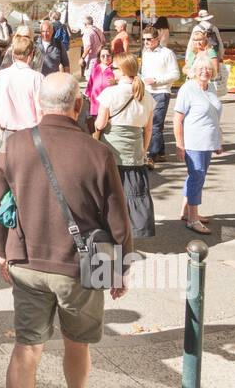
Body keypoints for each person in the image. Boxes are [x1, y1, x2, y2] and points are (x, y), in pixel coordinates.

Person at [0, 74, 132, 388]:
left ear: (39, 103)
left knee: (26, 347)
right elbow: (117, 219)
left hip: (27, 262)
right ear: (78, 106)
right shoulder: (97, 152)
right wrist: (119, 269)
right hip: (79, 266)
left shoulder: (14, 144)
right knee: (77, 340)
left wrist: (2, 252)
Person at [94, 54, 155, 239]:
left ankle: (110, 227)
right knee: (134, 191)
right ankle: (136, 228)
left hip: (111, 150)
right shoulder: (147, 96)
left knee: (110, 191)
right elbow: (149, 128)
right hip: (135, 149)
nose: (112, 71)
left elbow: (100, 124)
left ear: (122, 71)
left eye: (115, 68)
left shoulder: (110, 93)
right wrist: (143, 150)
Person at [174, 57, 222, 234]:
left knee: (196, 176)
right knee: (197, 176)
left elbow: (213, 116)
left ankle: (186, 211)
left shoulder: (211, 88)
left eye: (208, 68)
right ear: (194, 70)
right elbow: (177, 119)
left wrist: (218, 140)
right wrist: (180, 144)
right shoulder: (187, 89)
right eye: (201, 68)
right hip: (193, 141)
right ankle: (193, 219)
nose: (205, 71)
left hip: (207, 141)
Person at [0, 33, 42, 147]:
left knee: (7, 164)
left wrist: (1, 130)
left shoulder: (1, 75)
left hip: (7, 133)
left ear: (13, 54)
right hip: (31, 135)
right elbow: (40, 110)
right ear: (31, 55)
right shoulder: (37, 78)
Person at [140, 28, 180, 167]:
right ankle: (161, 152)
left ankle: (153, 155)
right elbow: (143, 72)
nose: (146, 42)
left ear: (157, 39)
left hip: (161, 91)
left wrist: (157, 80)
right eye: (144, 39)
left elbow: (176, 74)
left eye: (149, 39)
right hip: (146, 91)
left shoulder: (167, 53)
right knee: (147, 123)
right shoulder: (145, 53)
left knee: (155, 124)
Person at [85, 44, 116, 128]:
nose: (105, 58)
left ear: (112, 56)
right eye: (103, 56)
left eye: (108, 55)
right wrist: (88, 95)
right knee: (96, 126)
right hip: (95, 102)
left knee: (106, 127)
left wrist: (116, 82)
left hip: (109, 105)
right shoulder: (96, 68)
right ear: (99, 57)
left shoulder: (115, 69)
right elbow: (91, 82)